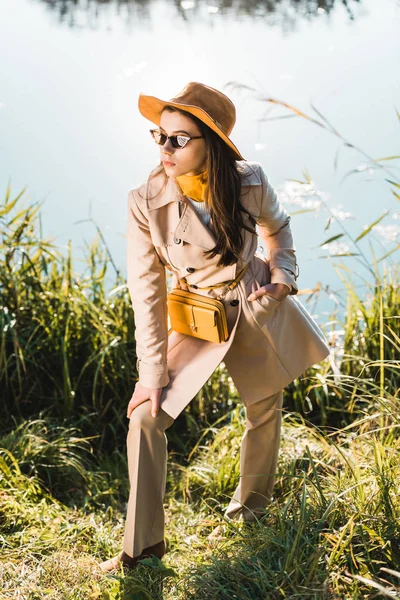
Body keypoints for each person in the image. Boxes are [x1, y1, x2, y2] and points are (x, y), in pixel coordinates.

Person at [99, 82, 330, 572]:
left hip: (254, 304)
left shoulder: (249, 181)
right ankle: (142, 549)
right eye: (158, 136)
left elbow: (278, 229)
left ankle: (251, 514)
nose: (164, 148)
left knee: (264, 410)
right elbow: (147, 293)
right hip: (197, 315)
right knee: (144, 419)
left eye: (178, 139)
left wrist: (283, 278)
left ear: (213, 145)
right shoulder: (145, 201)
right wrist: (151, 373)